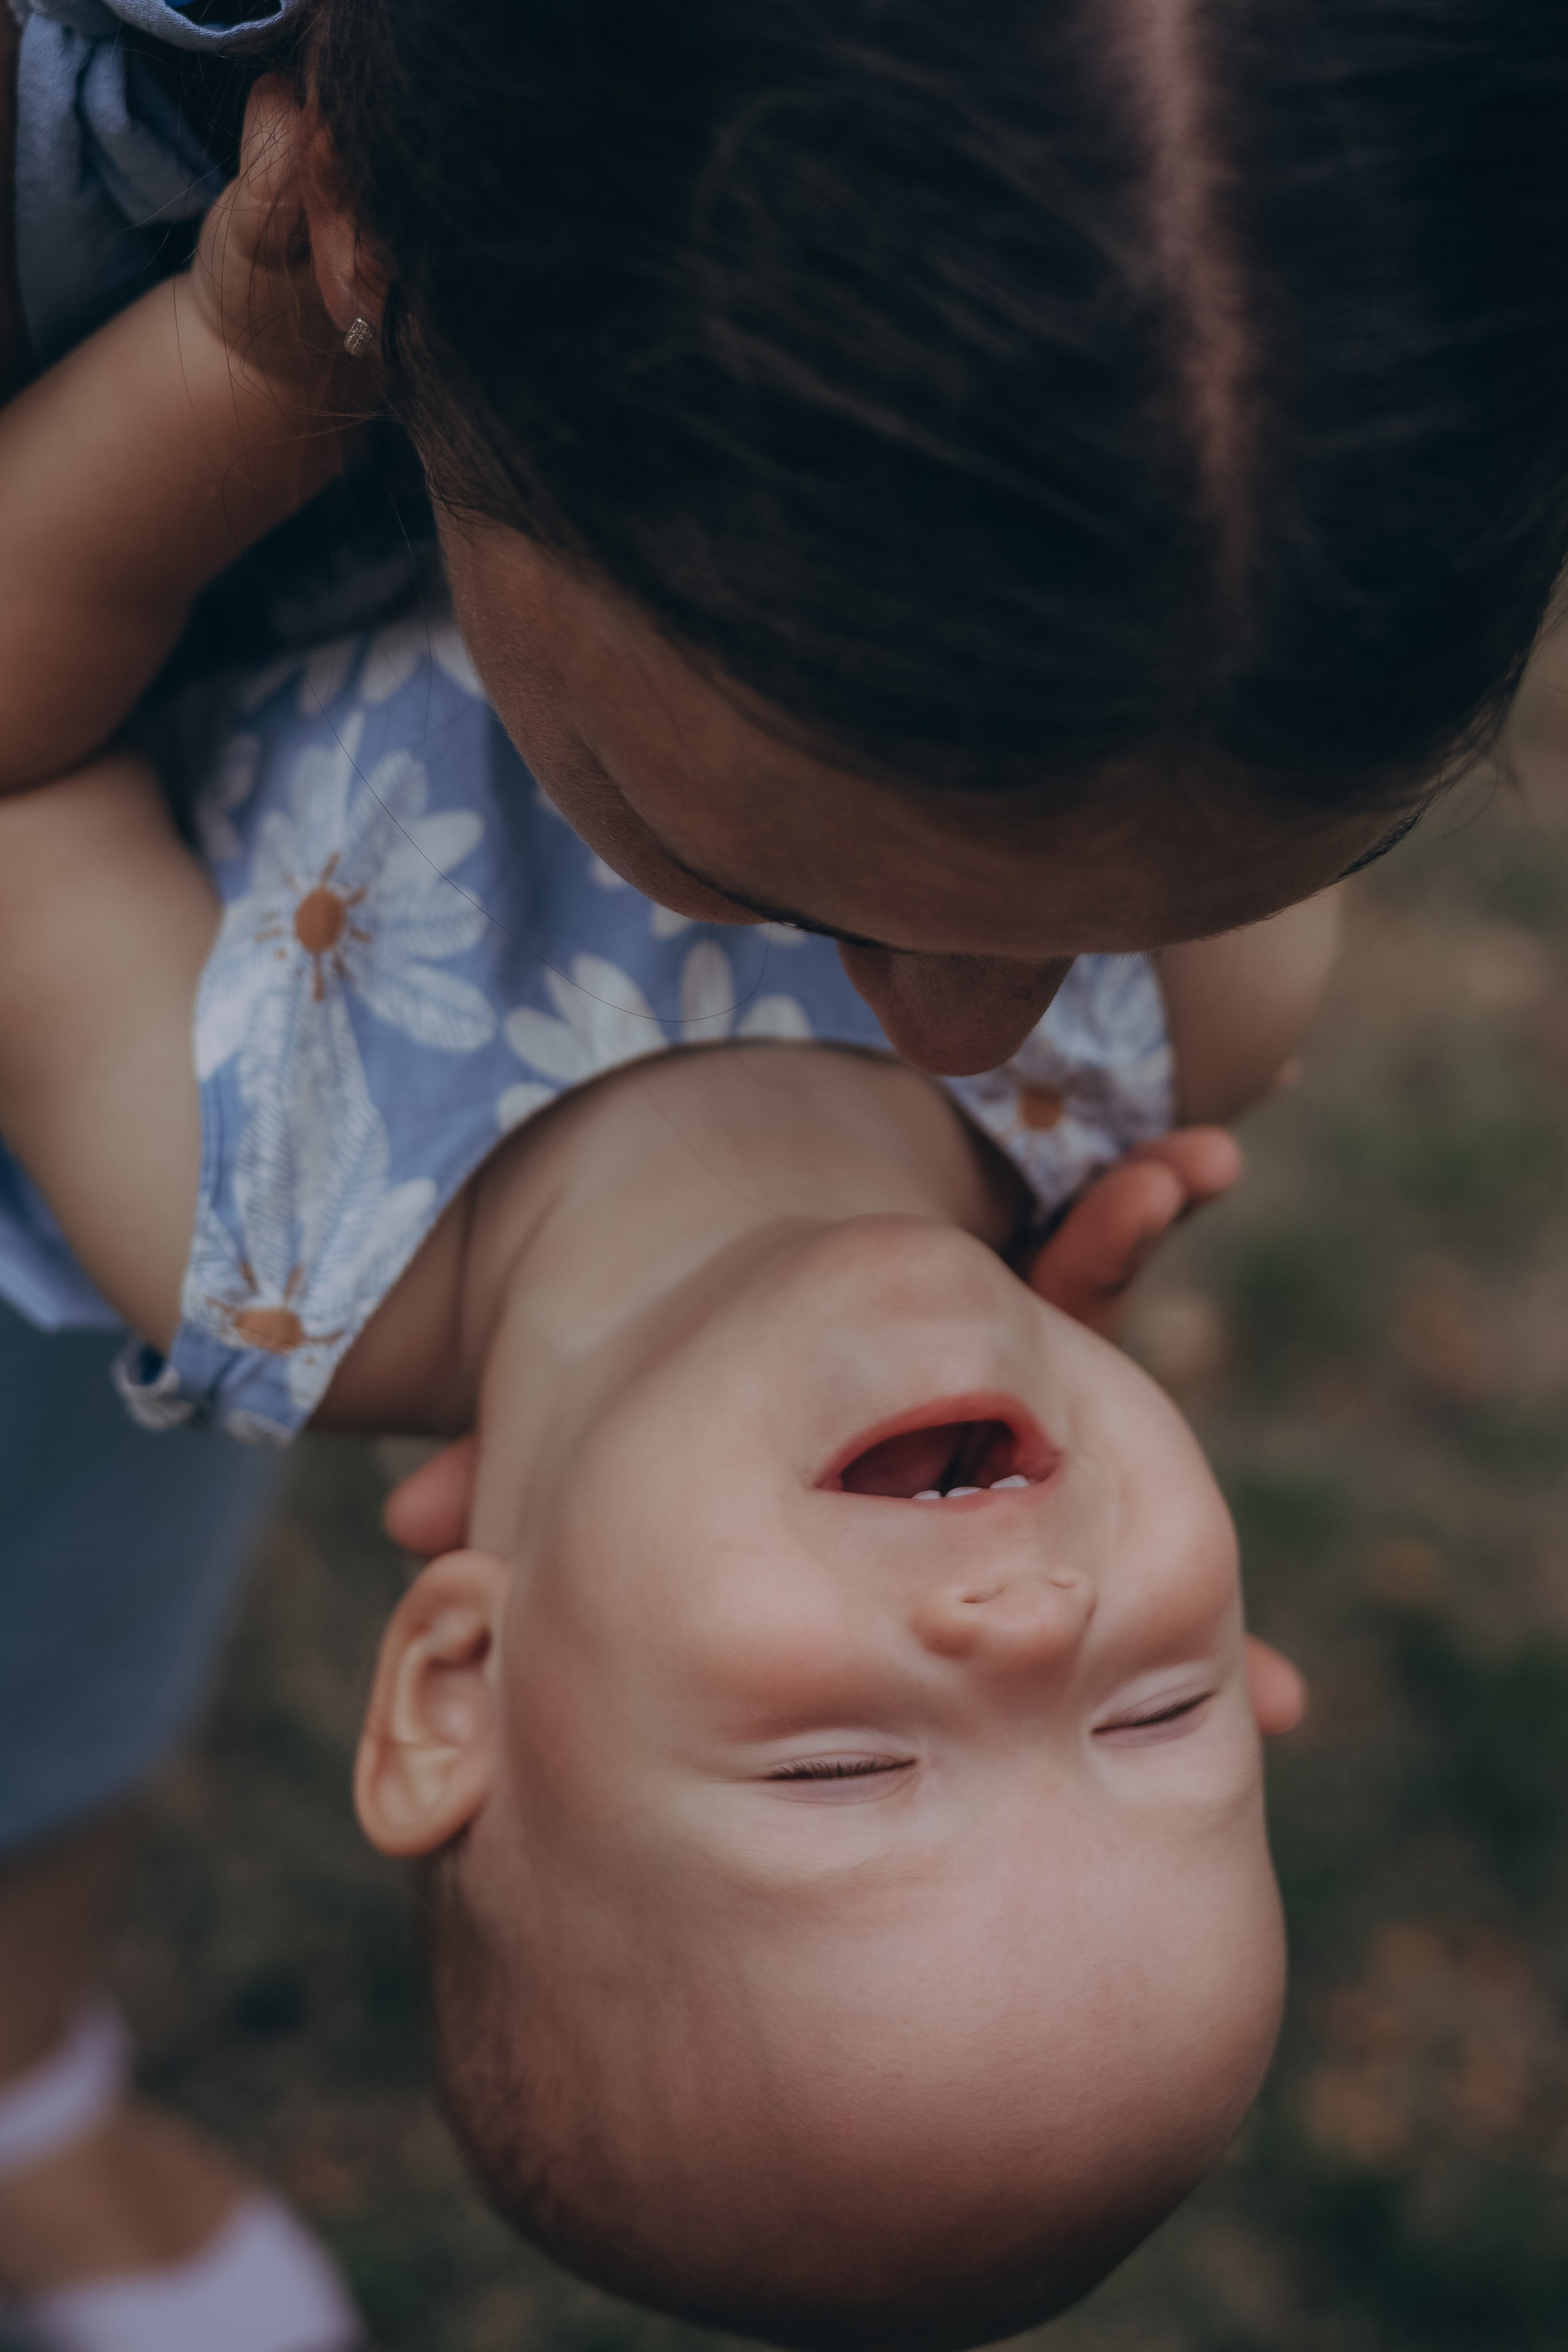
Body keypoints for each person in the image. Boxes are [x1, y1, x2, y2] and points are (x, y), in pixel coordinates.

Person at [0, 99, 1316, 2345]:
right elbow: (1227, 549)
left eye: (846, 1764)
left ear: (465, 1681)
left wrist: (273, 356)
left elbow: (15, 759)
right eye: (1161, 1715)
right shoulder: (1166, 1012)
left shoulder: (265, 1218)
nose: (1021, 1632)